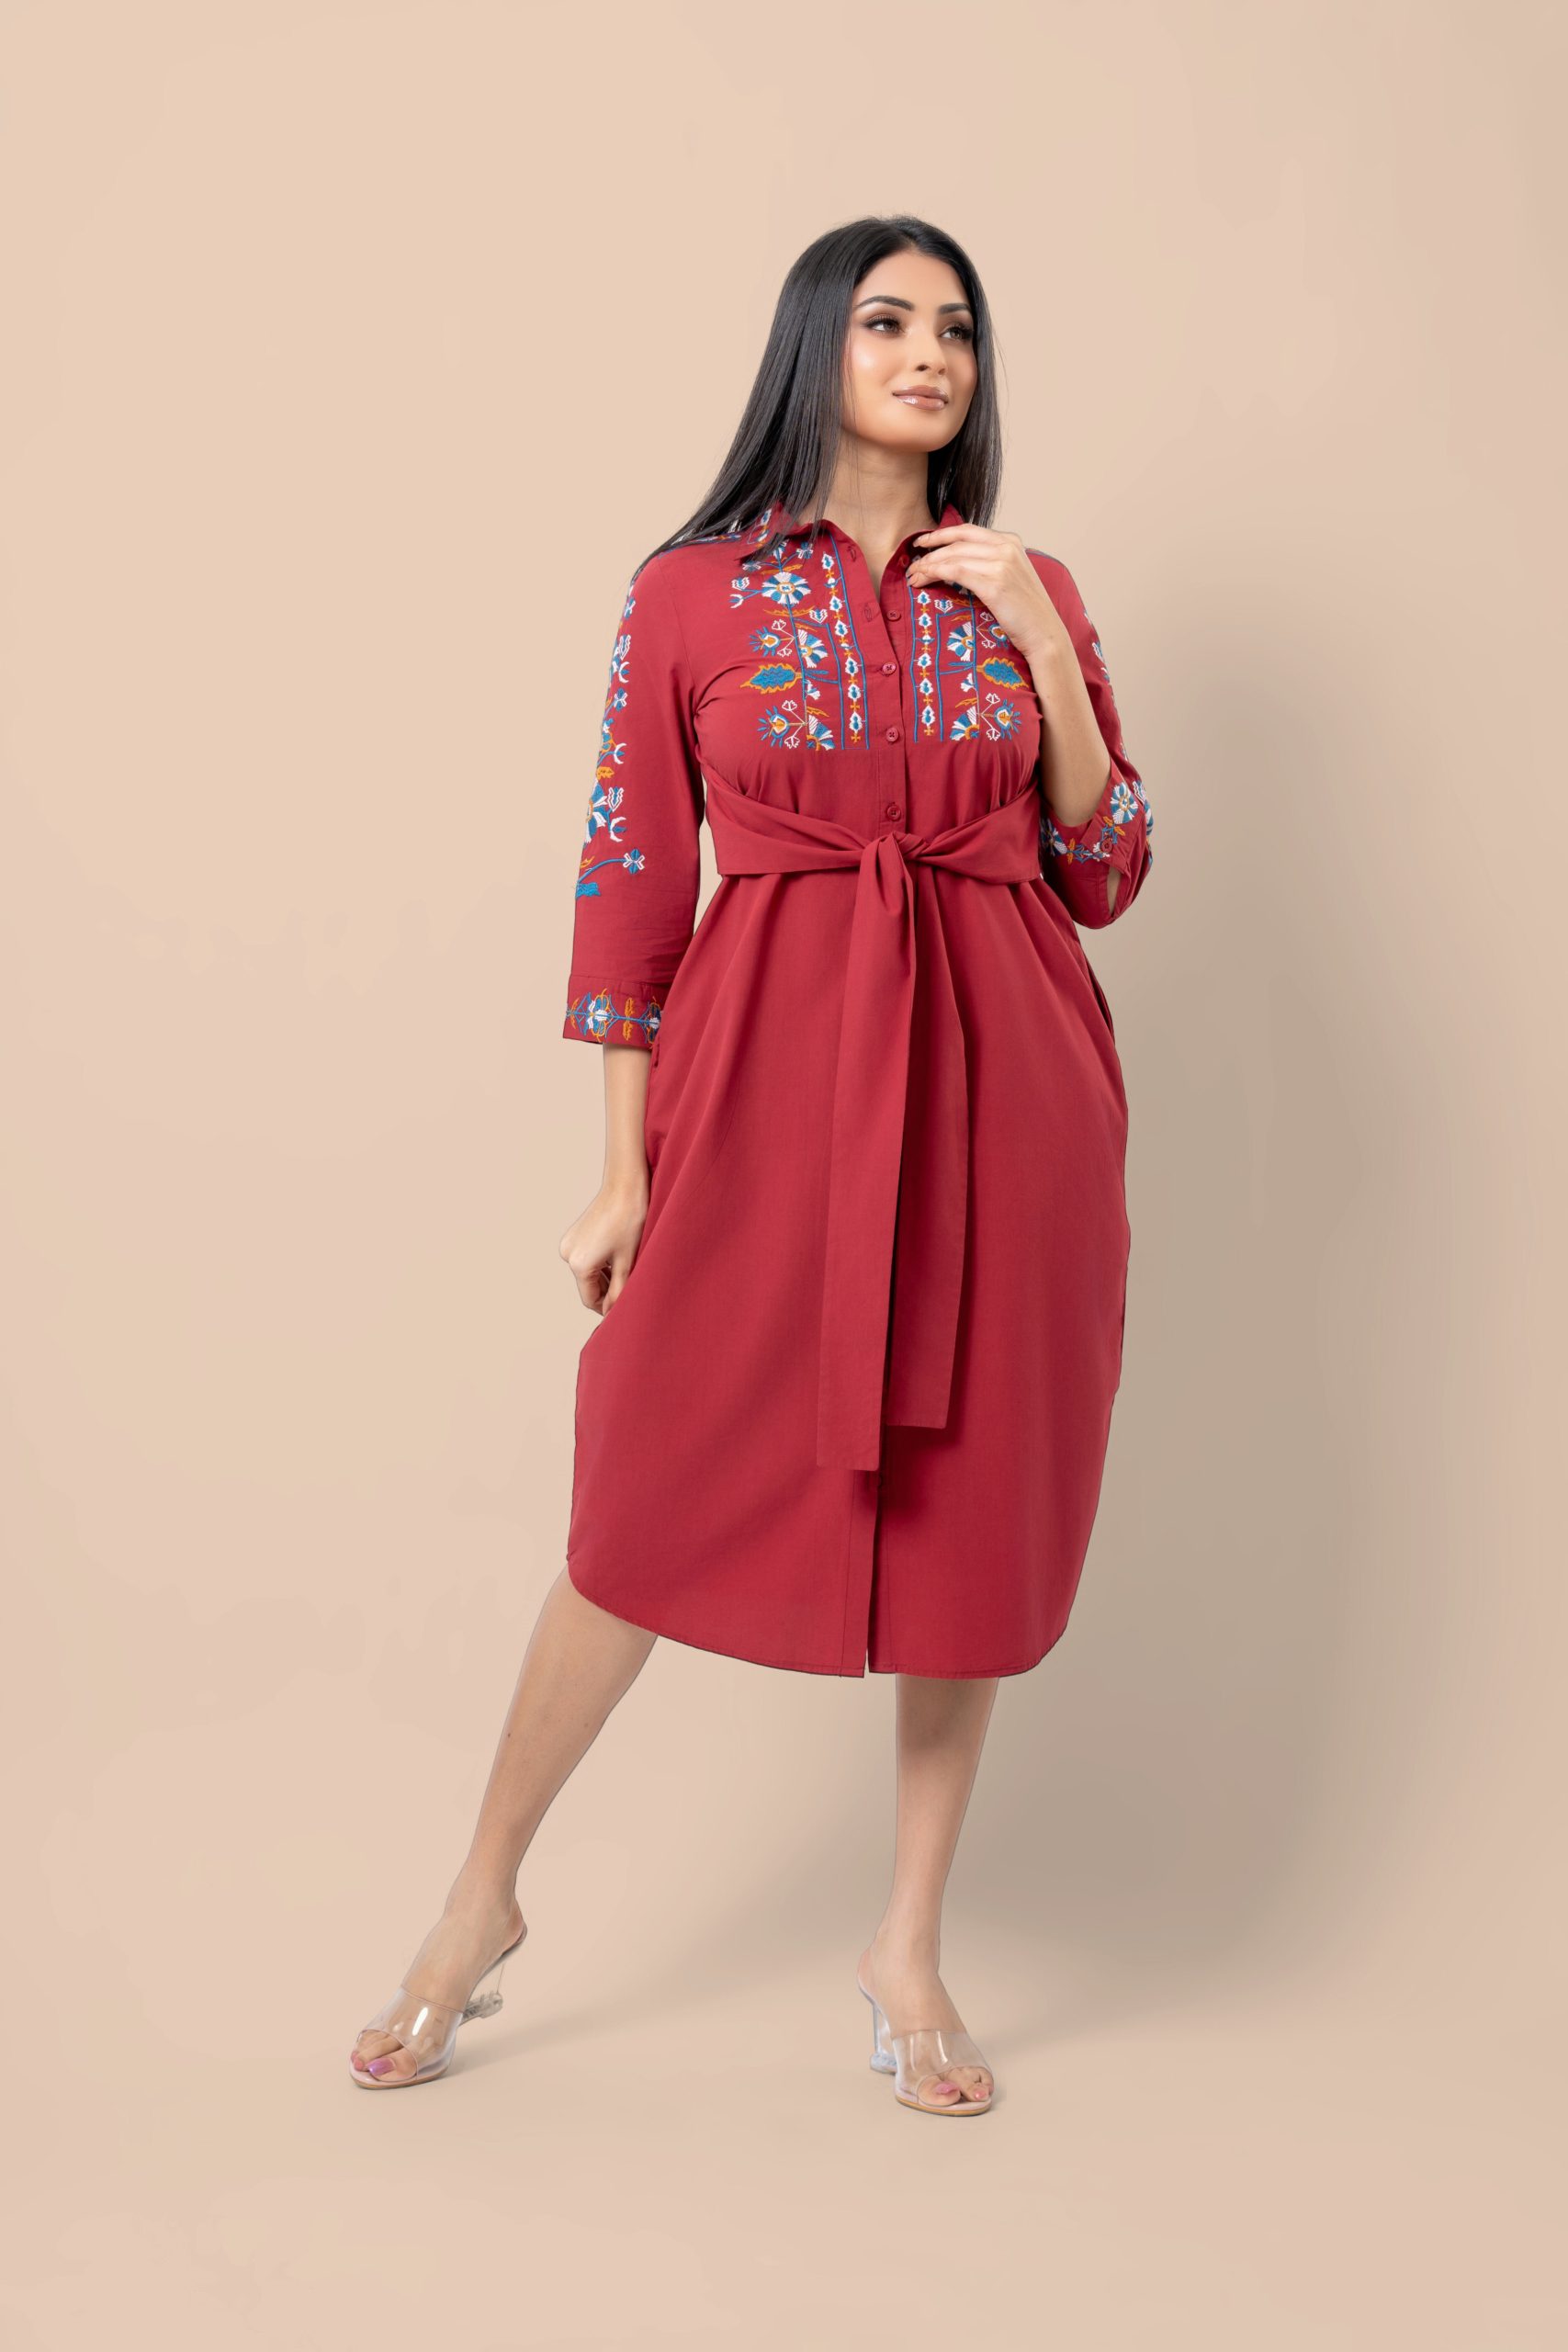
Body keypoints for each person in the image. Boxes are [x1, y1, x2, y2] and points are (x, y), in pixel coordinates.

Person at [350, 215, 1154, 2114]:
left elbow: (1106, 863)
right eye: (885, 321)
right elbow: (629, 885)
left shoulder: (1024, 587)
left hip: (1006, 1086)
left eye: (955, 327)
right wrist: (623, 1170)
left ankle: (907, 1945)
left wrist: (1043, 642)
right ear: (814, 348)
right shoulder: (689, 593)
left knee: (969, 1506)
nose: (928, 353)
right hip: (767, 1072)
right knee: (647, 1473)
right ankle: (479, 1898)